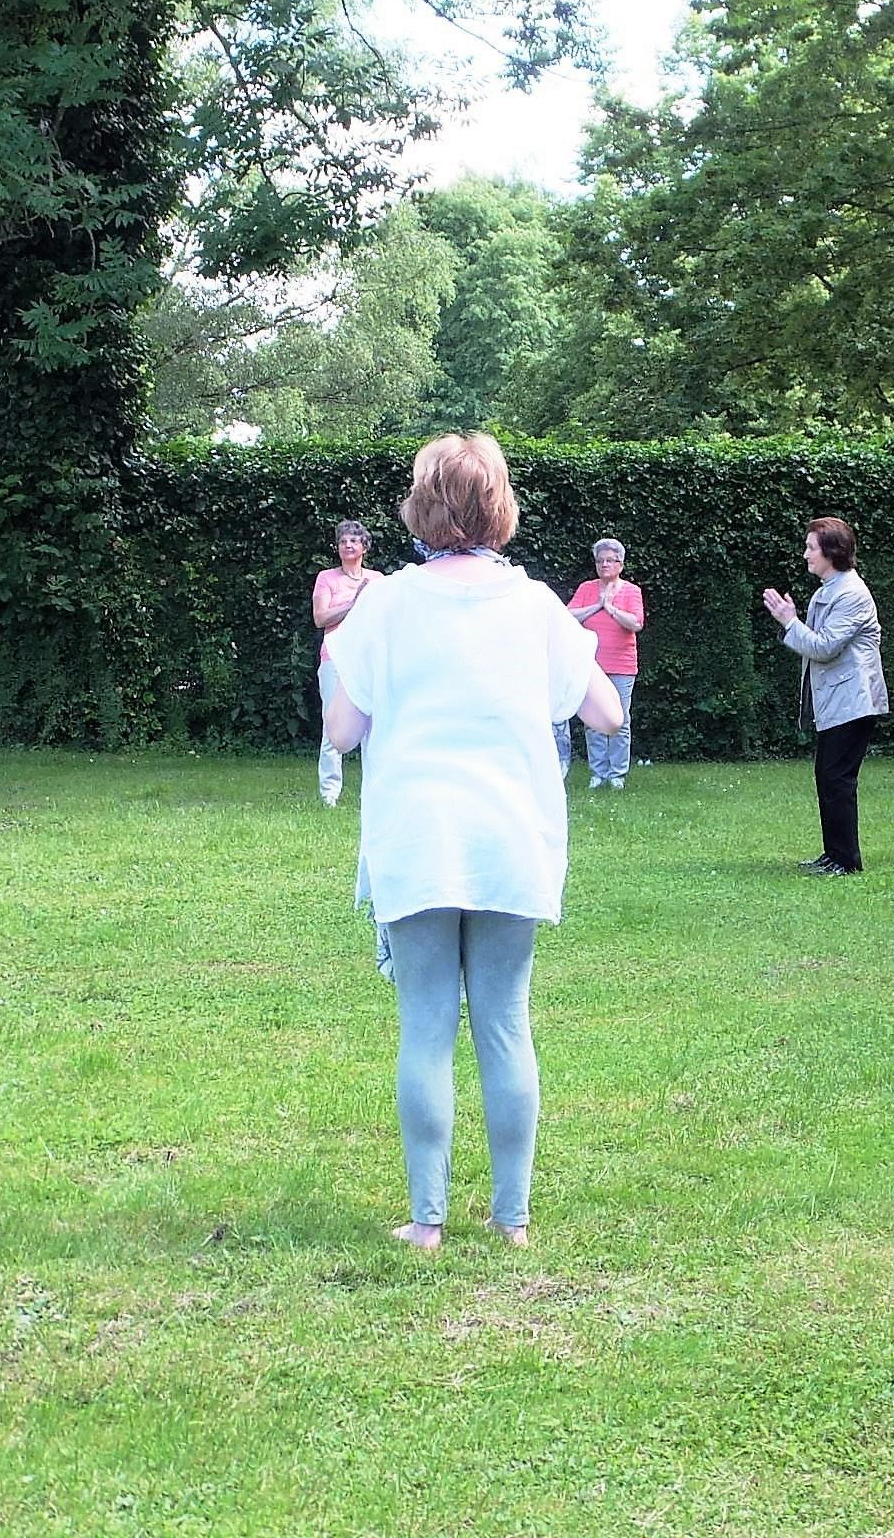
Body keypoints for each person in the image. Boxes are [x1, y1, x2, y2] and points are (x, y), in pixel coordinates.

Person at [324, 433, 622, 1252]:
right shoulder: (535, 605)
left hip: (417, 836)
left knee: (425, 1026)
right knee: (504, 1023)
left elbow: (342, 732)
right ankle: (510, 1218)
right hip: (510, 838)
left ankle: (427, 1221)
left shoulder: (386, 603)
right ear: (500, 507)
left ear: (422, 508)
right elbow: (607, 714)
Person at [761, 517, 888, 877]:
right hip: (839, 701)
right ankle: (834, 854)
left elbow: (824, 647)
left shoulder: (851, 594)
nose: (805, 555)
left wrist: (789, 621)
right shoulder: (828, 590)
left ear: (832, 551)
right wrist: (791, 622)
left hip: (854, 701)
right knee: (828, 777)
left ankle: (846, 861)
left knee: (837, 779)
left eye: (811, 548)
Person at [563, 537, 646, 788]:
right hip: (592, 665)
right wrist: (597, 605)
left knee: (620, 720)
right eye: (600, 561)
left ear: (621, 564)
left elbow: (636, 623)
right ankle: (598, 772)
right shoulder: (587, 588)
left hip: (622, 665)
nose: (605, 565)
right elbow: (568, 615)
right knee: (593, 720)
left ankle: (617, 773)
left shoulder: (631, 591)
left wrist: (610, 608)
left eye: (610, 560)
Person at [311, 519, 378, 807]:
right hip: (334, 658)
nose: (347, 545)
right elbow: (320, 618)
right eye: (342, 541)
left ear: (365, 546)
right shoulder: (326, 578)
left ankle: (373, 790)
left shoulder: (377, 580)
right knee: (332, 725)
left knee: (374, 725)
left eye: (353, 540)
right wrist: (354, 603)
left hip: (368, 659)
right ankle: (329, 795)